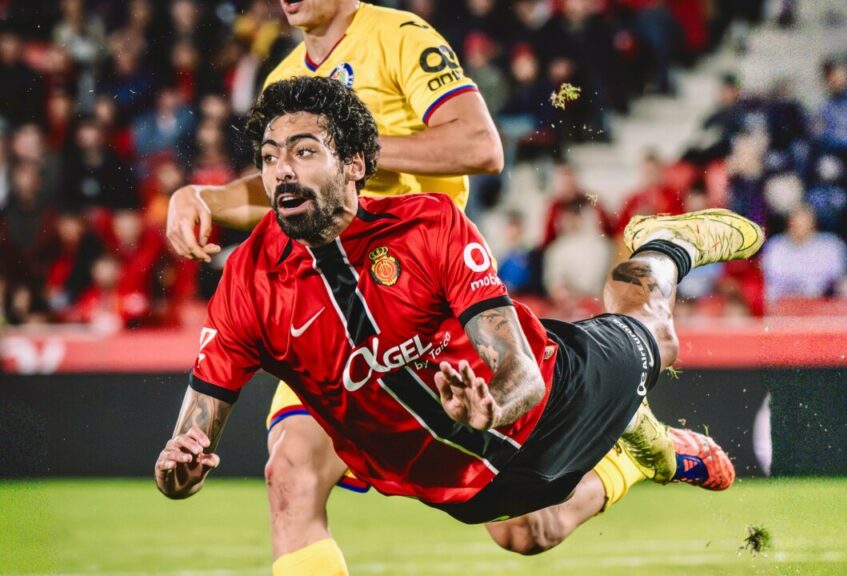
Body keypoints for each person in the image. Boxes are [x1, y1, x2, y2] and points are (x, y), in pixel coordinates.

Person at [155, 76, 759, 566]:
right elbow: (192, 440)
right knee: (528, 535)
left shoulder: (427, 226)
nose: (281, 171)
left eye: (304, 152)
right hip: (471, 487)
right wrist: (178, 470)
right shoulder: (249, 283)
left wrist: (492, 406)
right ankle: (643, 455)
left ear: (356, 164)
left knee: (658, 334)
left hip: (562, 399)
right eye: (269, 158)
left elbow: (520, 372)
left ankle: (664, 245)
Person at [163, 2, 502, 574]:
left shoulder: (399, 36)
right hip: (330, 297)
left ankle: (636, 452)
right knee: (290, 472)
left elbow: (480, 146)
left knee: (523, 526)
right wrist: (202, 198)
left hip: (421, 298)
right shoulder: (285, 77)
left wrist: (346, 146)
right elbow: (283, 187)